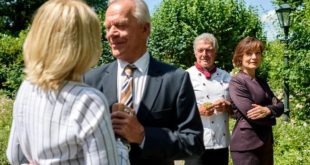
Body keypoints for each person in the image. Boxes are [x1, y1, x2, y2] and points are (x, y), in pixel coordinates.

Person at [84, 0, 204, 164]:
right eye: (107, 27)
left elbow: (194, 143)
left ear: (145, 29)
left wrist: (143, 135)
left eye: (120, 25)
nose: (111, 34)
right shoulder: (91, 79)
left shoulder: (175, 79)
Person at [6, 0, 120, 164]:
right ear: (85, 44)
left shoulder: (27, 87)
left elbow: (15, 156)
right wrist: (121, 146)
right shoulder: (89, 101)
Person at [229, 36, 284, 165]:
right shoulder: (237, 82)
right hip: (246, 146)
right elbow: (251, 114)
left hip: (265, 143)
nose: (254, 57)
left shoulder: (262, 81)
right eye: (249, 53)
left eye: (257, 53)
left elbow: (281, 106)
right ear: (240, 57)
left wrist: (268, 110)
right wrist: (273, 113)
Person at [185, 33, 232, 165]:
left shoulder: (226, 77)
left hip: (221, 144)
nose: (205, 54)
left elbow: (236, 109)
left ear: (215, 53)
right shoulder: (185, 76)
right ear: (195, 53)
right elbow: (176, 111)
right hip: (196, 142)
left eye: (209, 50)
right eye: (201, 50)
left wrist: (227, 105)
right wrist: (198, 111)